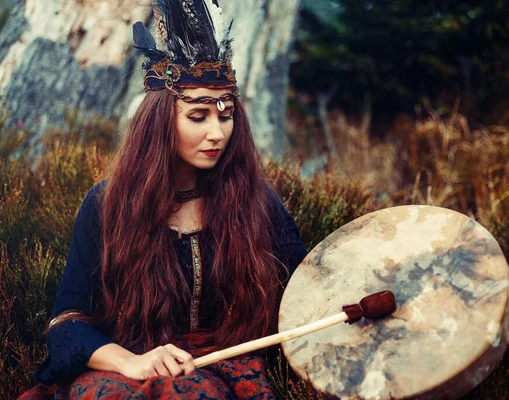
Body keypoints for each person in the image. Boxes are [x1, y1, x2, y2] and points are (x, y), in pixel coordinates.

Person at [19, 1, 307, 398]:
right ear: (159, 120)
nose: (218, 133)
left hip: (231, 364)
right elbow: (68, 324)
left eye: (226, 114)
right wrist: (129, 361)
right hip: (131, 365)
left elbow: (308, 292)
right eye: (198, 116)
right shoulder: (107, 205)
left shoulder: (256, 201)